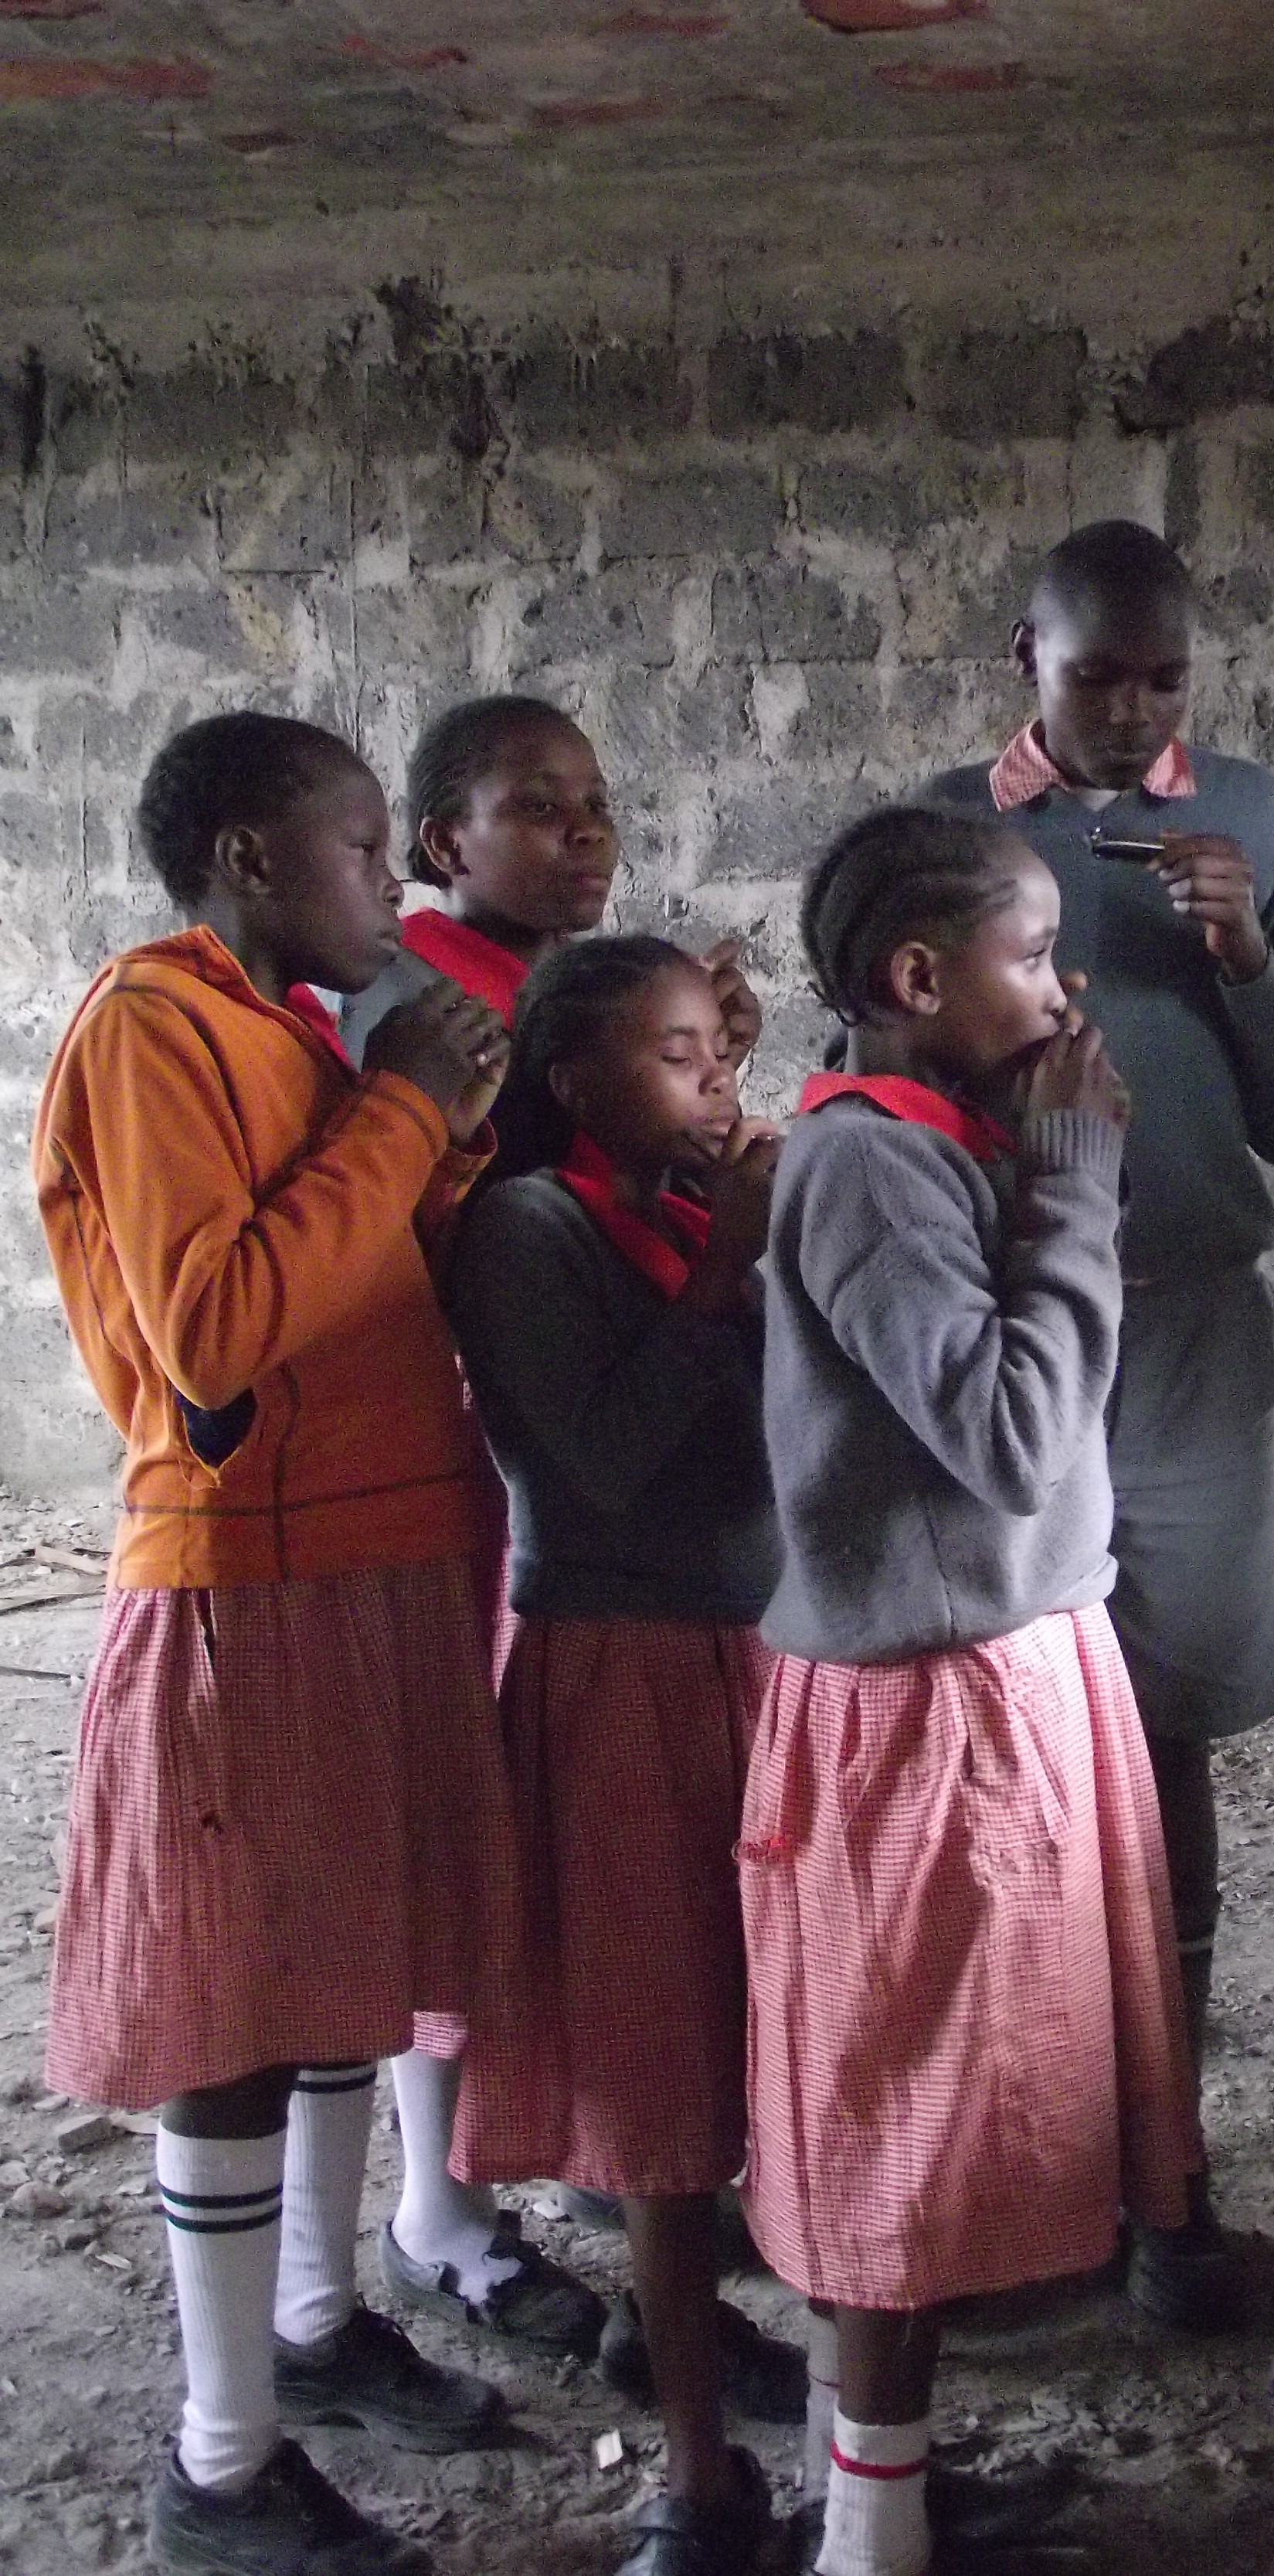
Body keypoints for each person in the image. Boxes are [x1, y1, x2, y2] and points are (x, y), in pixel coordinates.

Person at [33, 711, 529, 2574]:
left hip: (384, 1546)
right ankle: (217, 2460)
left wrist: (444, 1144)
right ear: (246, 856)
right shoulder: (154, 1024)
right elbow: (222, 1328)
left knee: (347, 1971)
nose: (387, 886)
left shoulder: (305, 1036)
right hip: (246, 1571)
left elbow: (364, 1270)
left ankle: (317, 2325)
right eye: (350, 847)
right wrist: (404, 1106)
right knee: (242, 2009)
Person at [742, 805, 1203, 2576]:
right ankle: (869, 2539)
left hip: (999, 1662)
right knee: (901, 2117)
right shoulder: (866, 1165)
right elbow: (1007, 1436)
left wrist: (1043, 1175)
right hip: (924, 1706)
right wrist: (1077, 1179)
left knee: (939, 2117)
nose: (1061, 985)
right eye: (1028, 955)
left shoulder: (934, 1136)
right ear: (918, 978)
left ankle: (893, 2493)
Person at [917, 521, 1274, 2325]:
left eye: (1161, 676)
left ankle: (1166, 2177)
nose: (1124, 708)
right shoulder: (948, 836)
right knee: (1014, 1738)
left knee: (1163, 1730)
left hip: (1182, 1335)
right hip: (1014, 1338)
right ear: (1023, 649)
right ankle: (1032, 2173)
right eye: (1091, 670)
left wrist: (1247, 956)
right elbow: (892, 1065)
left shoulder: (1248, 821)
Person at [331, 695, 758, 2357]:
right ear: (445, 844)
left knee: (622, 1885)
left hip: (635, 1533)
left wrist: (694, 1069)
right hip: (487, 1482)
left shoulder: (556, 1010)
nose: (587, 831)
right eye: (540, 808)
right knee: (525, 1863)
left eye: (599, 803)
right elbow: (505, 1191)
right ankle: (469, 2200)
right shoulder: (421, 998)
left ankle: (634, 2160)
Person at [440, 934, 807, 2575]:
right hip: (619, 1675)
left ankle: (850, 2443)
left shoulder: (669, 1201)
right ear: (571, 1082)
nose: (712, 1081)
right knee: (662, 2075)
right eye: (672, 1056)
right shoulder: (528, 1227)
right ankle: (692, 2468)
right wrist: (730, 1267)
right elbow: (596, 1461)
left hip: (750, 1654)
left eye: (717, 1052)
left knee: (778, 2031)